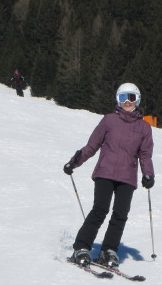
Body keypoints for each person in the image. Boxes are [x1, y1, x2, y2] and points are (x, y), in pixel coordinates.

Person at [63, 82, 155, 268]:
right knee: (100, 210)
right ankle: (81, 248)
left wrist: (148, 174)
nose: (127, 102)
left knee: (120, 214)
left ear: (137, 100)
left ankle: (108, 251)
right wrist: (74, 162)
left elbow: (145, 155)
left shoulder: (144, 128)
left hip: (127, 177)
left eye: (131, 98)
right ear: (117, 100)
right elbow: (91, 146)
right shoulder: (109, 120)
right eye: (123, 98)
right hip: (105, 173)